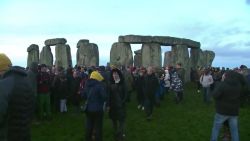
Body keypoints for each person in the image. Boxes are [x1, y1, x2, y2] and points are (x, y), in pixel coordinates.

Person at [0, 53, 35, 141]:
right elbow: (32, 107)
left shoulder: (3, 85)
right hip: (24, 132)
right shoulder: (26, 81)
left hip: (7, 135)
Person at [210, 70, 247, 141]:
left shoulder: (223, 85)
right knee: (234, 130)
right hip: (234, 111)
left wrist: (221, 81)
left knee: (216, 129)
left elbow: (215, 95)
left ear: (227, 76)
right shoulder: (238, 86)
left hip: (221, 111)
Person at [82, 71, 106, 141]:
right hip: (98, 109)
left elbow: (83, 96)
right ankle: (98, 139)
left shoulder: (87, 84)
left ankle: (88, 138)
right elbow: (104, 97)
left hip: (89, 109)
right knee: (98, 126)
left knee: (89, 125)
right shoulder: (99, 86)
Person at [107, 68, 127, 141]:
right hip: (113, 106)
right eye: (113, 74)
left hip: (121, 105)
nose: (115, 75)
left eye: (116, 74)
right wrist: (108, 105)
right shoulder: (110, 83)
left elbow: (125, 94)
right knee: (114, 120)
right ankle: (116, 132)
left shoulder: (122, 83)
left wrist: (122, 102)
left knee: (121, 121)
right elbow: (108, 95)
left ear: (119, 74)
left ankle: (120, 134)